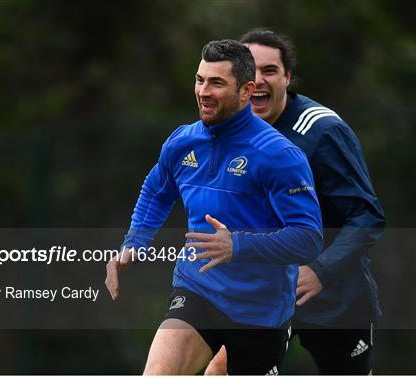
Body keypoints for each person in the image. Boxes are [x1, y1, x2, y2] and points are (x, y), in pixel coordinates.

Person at [105, 39, 323, 375]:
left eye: (217, 83)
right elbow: (156, 190)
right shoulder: (182, 141)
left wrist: (237, 244)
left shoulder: (279, 155)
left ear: (246, 91)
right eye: (199, 80)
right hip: (198, 290)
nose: (203, 92)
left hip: (260, 314)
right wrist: (135, 242)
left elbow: (308, 238)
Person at [205, 29, 386, 375]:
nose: (258, 80)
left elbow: (366, 217)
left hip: (334, 298)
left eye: (270, 70)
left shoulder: (322, 132)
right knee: (220, 371)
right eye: (249, 71)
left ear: (287, 77)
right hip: (263, 297)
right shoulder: (226, 131)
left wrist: (320, 271)